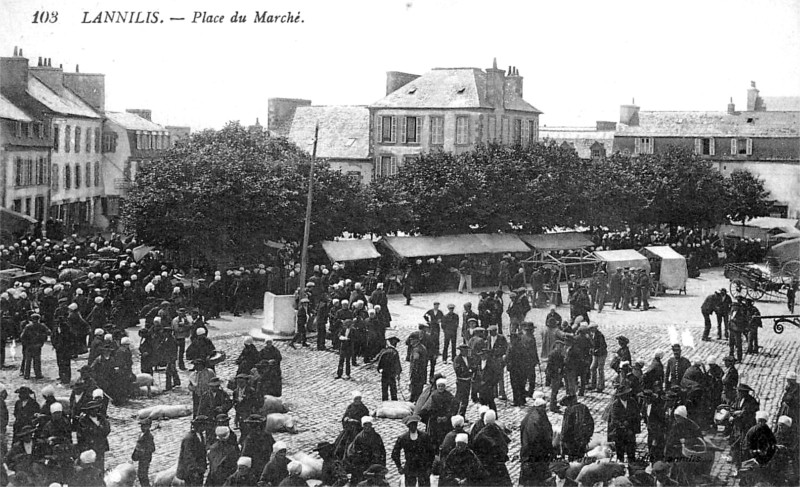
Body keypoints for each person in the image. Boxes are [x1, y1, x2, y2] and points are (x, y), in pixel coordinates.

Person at [391, 414, 435, 487]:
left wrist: (429, 466)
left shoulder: (424, 436)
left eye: (415, 424)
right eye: (411, 425)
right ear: (408, 426)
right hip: (410, 467)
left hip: (423, 466)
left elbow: (431, 452)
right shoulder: (403, 438)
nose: (413, 427)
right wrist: (399, 466)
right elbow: (395, 453)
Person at [471, 409, 512, 486]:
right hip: (499, 466)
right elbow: (505, 444)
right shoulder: (497, 430)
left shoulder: (480, 435)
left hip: (486, 467)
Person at [519, 398, 553, 486]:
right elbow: (536, 439)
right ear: (540, 407)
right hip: (533, 454)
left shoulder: (532, 414)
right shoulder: (536, 419)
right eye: (544, 407)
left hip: (528, 452)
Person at [346, 416, 386, 485]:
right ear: (362, 426)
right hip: (362, 464)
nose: (367, 427)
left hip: (374, 463)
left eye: (369, 425)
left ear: (371, 425)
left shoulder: (377, 437)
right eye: (365, 425)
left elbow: (382, 451)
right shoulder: (359, 437)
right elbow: (353, 451)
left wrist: (381, 464)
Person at [333, 391, 370, 460]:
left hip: (358, 430)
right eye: (356, 399)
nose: (357, 401)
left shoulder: (364, 409)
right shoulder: (350, 407)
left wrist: (357, 421)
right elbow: (345, 417)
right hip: (349, 430)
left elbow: (366, 420)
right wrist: (346, 419)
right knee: (341, 444)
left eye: (359, 399)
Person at [730, 383, 759, 469]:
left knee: (744, 447)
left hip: (746, 427)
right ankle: (737, 465)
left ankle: (744, 466)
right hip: (738, 426)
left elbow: (748, 412)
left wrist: (740, 413)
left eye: (739, 391)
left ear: (744, 393)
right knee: (735, 445)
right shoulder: (738, 399)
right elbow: (732, 407)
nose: (738, 393)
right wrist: (733, 413)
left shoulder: (752, 401)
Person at [608, 385, 640, 463]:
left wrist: (633, 428)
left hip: (630, 432)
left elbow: (636, 415)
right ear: (620, 396)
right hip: (619, 433)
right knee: (620, 453)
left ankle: (631, 466)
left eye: (627, 393)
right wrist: (622, 424)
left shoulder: (632, 402)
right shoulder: (615, 405)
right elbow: (614, 419)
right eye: (625, 394)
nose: (627, 395)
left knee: (631, 452)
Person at [560, 394, 594, 460]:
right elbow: (591, 423)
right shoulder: (584, 407)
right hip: (583, 439)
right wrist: (588, 436)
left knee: (572, 459)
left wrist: (563, 440)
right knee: (580, 458)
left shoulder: (569, 410)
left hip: (572, 441)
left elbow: (566, 427)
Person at [19, 313, 48, 380]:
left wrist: (25, 343)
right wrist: (42, 341)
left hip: (29, 346)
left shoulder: (28, 326)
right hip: (37, 345)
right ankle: (38, 374)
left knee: (28, 361)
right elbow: (48, 333)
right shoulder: (42, 326)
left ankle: (26, 375)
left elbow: (22, 336)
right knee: (37, 361)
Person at [376, 336, 402, 401]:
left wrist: (379, 369)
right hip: (392, 374)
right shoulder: (395, 352)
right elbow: (397, 364)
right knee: (393, 390)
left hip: (384, 374)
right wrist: (398, 374)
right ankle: (394, 401)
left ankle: (384, 402)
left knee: (384, 390)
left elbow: (380, 362)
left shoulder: (384, 351)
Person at [132, 418, 156, 487]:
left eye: (144, 426)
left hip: (145, 459)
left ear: (149, 427)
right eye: (141, 426)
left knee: (143, 476)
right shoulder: (141, 434)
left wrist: (143, 452)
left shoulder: (149, 436)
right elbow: (138, 445)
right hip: (141, 458)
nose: (142, 428)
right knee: (140, 475)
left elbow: (152, 448)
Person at [408, 332, 429, 402]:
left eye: (412, 340)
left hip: (416, 374)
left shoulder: (416, 350)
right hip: (422, 373)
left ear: (416, 340)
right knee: (419, 391)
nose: (410, 341)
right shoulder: (423, 347)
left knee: (414, 393)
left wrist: (412, 374)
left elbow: (415, 362)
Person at [453, 344, 472, 416]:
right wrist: (468, 371)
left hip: (468, 381)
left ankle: (462, 415)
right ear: (461, 351)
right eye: (465, 351)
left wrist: (469, 371)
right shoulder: (457, 359)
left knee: (465, 400)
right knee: (458, 399)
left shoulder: (469, 358)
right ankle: (454, 414)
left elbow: (473, 367)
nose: (467, 352)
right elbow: (458, 370)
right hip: (461, 381)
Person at [588, 323, 607, 392]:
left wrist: (597, 350)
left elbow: (604, 346)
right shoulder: (593, 335)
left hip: (601, 354)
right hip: (595, 354)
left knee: (600, 369)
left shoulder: (599, 335)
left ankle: (601, 386)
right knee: (592, 368)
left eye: (591, 329)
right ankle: (593, 384)